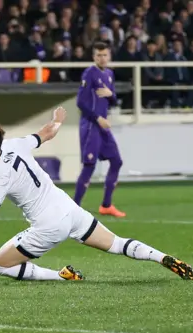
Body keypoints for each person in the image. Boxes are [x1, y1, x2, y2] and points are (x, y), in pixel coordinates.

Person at [0, 107, 193, 281]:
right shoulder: (15, 144)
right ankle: (162, 257)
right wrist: (57, 120)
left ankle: (61, 276)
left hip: (49, 226)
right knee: (117, 243)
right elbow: (46, 133)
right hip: (69, 209)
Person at [73, 42, 125, 218]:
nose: (102, 58)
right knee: (89, 165)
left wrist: (112, 95)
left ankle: (106, 205)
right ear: (94, 57)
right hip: (90, 126)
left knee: (117, 161)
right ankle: (74, 208)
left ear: (109, 56)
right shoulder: (89, 73)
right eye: (98, 55)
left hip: (103, 127)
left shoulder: (109, 74)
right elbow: (80, 102)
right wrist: (97, 118)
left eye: (105, 55)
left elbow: (114, 100)